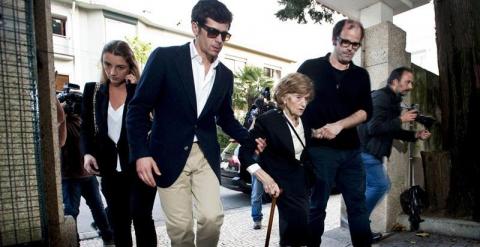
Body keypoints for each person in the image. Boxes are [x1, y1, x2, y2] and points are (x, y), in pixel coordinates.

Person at [126, 1, 264, 246]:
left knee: (212, 218)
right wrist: (140, 153)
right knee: (180, 229)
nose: (219, 40)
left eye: (224, 34)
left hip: (205, 155)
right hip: (166, 156)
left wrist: (249, 139)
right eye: (213, 32)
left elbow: (225, 117)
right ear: (195, 27)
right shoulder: (165, 58)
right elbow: (138, 108)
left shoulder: (224, 75)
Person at [298, 19, 373, 247]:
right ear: (334, 39)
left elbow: (365, 111)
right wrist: (309, 132)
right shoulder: (310, 68)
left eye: (355, 45)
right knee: (316, 207)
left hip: (351, 152)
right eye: (345, 42)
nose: (350, 48)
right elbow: (291, 101)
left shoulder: (361, 75)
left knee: (358, 208)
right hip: (320, 152)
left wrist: (339, 125)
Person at [80, 40, 157, 247]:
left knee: (141, 218)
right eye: (107, 64)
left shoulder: (141, 91)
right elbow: (85, 128)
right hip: (110, 170)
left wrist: (134, 90)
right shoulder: (93, 91)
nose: (112, 72)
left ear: (130, 67)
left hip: (139, 167)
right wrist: (87, 153)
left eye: (120, 67)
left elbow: (146, 124)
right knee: (119, 223)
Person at [239, 72, 315, 246]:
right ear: (284, 97)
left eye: (307, 98)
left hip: (303, 181)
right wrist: (264, 178)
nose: (304, 103)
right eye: (298, 97)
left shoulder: (307, 119)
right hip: (281, 185)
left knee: (297, 229)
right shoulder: (268, 120)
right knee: (296, 227)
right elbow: (243, 153)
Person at [357, 67, 431, 241]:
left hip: (371, 152)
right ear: (395, 81)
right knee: (380, 185)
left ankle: (360, 230)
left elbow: (391, 130)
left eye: (412, 82)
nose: (411, 86)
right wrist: (401, 119)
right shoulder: (380, 97)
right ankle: (358, 222)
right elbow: (373, 128)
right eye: (407, 82)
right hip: (365, 151)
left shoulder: (393, 101)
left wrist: (415, 135)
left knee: (373, 187)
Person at [60, 99, 114, 246]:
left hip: (88, 175)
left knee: (98, 208)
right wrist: (61, 110)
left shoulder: (82, 120)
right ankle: (73, 242)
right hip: (69, 177)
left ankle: (108, 238)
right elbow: (61, 140)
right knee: (71, 213)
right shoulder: (61, 121)